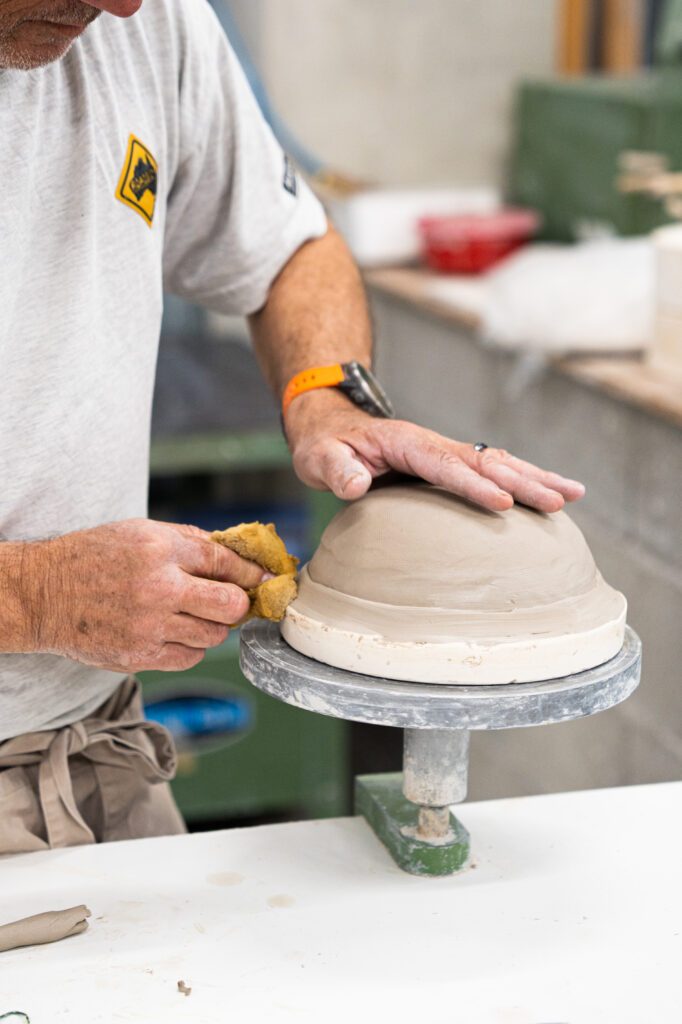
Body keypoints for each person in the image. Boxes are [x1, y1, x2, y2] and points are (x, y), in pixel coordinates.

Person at [0, 0, 585, 854]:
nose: (124, 1)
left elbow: (290, 252)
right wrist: (33, 596)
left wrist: (329, 399)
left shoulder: (144, 21)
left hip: (92, 751)